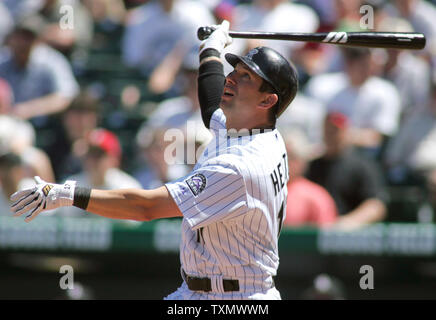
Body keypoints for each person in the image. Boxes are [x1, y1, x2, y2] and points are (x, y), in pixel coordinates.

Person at [10, 20, 299, 300]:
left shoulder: (240, 167)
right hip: (207, 290)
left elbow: (145, 207)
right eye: (234, 69)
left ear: (267, 101)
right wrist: (211, 51)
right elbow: (211, 105)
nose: (231, 77)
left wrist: (69, 194)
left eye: (246, 77)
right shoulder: (259, 132)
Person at [306, 112, 388, 231]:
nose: (331, 135)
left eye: (335, 130)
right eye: (328, 130)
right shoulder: (313, 165)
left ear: (346, 132)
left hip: (352, 236)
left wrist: (348, 222)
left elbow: (376, 206)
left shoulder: (362, 165)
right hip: (316, 231)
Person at [281, 129, 337, 228]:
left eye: (291, 157)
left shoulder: (316, 195)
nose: (285, 162)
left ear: (302, 161)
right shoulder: (265, 189)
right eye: (282, 156)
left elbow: (326, 232)